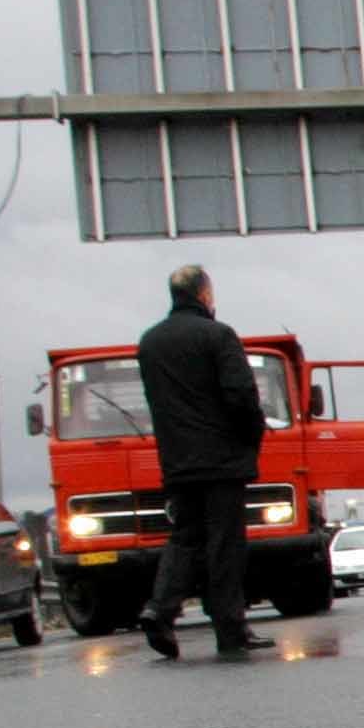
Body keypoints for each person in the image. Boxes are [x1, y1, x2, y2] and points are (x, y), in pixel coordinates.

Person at [134, 264, 275, 660]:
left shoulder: (150, 343)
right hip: (222, 459)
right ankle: (230, 629)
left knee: (185, 538)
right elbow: (241, 395)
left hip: (177, 459)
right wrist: (252, 436)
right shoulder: (219, 336)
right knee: (224, 544)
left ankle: (159, 611)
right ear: (205, 295)